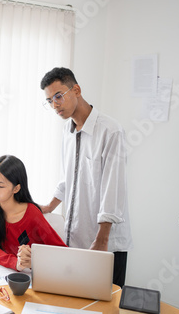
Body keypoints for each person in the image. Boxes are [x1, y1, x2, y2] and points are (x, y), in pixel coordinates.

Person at [39, 67, 133, 287]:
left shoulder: (110, 131)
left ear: (77, 90)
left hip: (105, 243)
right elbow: (68, 177)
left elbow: (114, 188)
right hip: (76, 239)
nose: (55, 105)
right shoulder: (67, 132)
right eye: (49, 101)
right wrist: (49, 207)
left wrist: (102, 239)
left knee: (107, 306)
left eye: (58, 96)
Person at [0, 155, 66, 271]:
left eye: (0, 186)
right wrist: (15, 263)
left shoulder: (32, 214)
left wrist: (34, 261)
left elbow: (62, 253)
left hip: (34, 274)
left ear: (16, 189)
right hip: (6, 271)